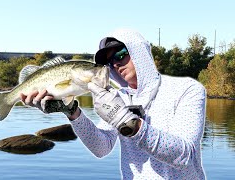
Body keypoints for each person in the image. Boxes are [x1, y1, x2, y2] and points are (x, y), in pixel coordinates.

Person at [20, 28, 206, 179]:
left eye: (121, 54)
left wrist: (124, 120)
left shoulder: (187, 89)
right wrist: (73, 112)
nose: (116, 64)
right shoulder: (118, 98)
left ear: (139, 52)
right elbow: (102, 147)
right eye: (110, 62)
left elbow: (185, 155)